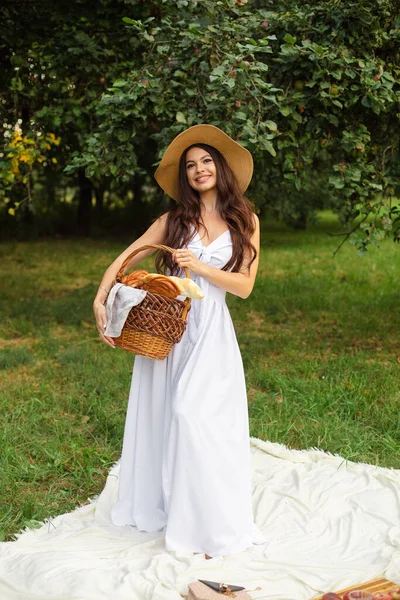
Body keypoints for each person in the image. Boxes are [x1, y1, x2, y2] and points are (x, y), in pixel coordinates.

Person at [93, 124, 265, 558]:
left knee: (195, 417)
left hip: (211, 333)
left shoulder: (245, 220)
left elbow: (244, 286)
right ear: (185, 177)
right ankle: (171, 507)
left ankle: (208, 524)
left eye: (206, 161)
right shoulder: (174, 220)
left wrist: (200, 267)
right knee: (166, 417)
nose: (199, 169)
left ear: (221, 167)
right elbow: (128, 256)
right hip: (170, 330)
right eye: (191, 165)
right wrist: (101, 296)